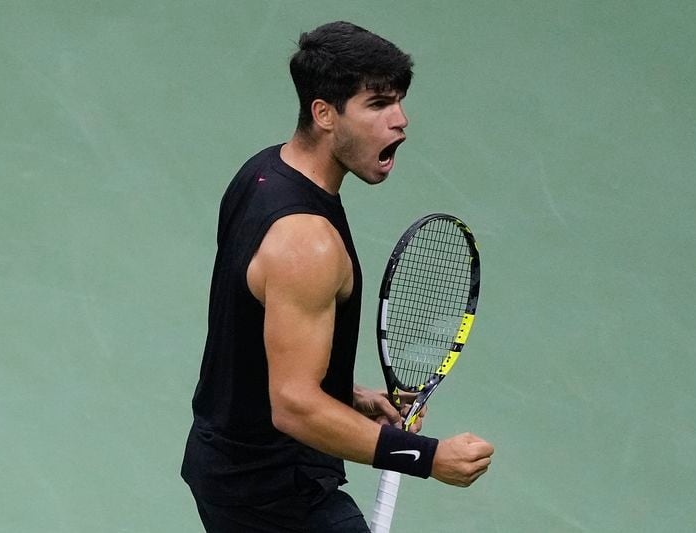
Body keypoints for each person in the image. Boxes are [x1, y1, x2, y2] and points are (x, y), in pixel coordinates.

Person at [181, 21, 494, 532]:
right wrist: (426, 457)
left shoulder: (262, 173)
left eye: (399, 102)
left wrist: (345, 393)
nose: (400, 121)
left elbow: (257, 341)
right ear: (324, 113)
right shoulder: (308, 242)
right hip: (276, 493)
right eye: (377, 105)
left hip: (228, 465)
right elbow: (295, 408)